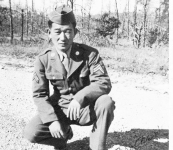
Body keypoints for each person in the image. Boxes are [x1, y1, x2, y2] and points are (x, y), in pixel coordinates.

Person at [23, 5, 115, 150]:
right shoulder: (43, 59)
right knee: (31, 133)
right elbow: (39, 94)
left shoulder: (90, 54)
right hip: (60, 108)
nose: (62, 37)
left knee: (106, 102)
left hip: (85, 108)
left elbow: (103, 82)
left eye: (67, 31)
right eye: (57, 32)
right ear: (49, 33)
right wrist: (52, 120)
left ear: (75, 32)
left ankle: (97, 146)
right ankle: (62, 137)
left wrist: (80, 98)